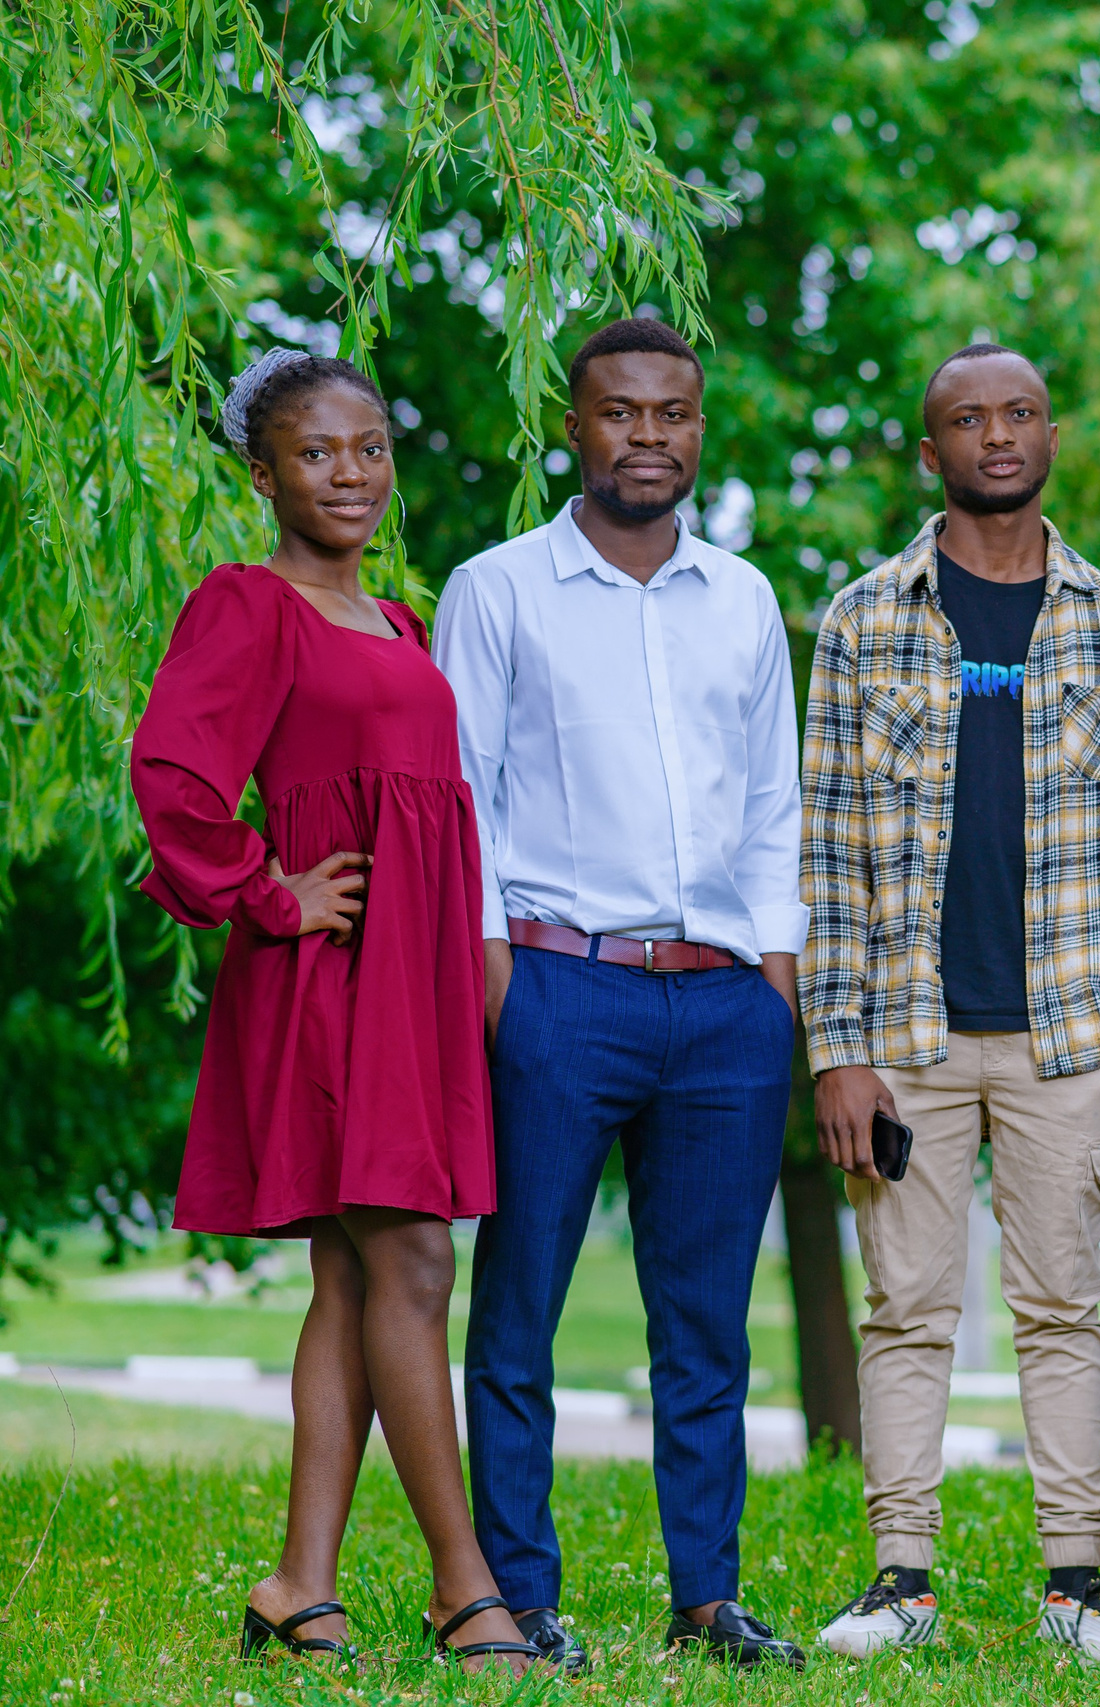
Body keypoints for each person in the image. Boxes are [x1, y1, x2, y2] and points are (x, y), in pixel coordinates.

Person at [132, 351, 534, 1674]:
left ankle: (299, 1582)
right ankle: (464, 1585)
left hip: (408, 979)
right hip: (327, 979)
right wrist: (273, 895)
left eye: (367, 447)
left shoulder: (403, 625)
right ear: (266, 473)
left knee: (359, 1271)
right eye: (316, 452)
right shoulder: (251, 605)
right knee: (414, 1264)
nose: (348, 472)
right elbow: (176, 774)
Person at [800, 344, 1100, 1667]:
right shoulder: (861, 620)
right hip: (903, 1040)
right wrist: (835, 1047)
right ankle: (898, 1580)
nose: (997, 435)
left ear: (1052, 433)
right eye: (967, 418)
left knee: (1064, 1303)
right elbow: (830, 847)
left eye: (1019, 411)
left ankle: (1079, 1586)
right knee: (905, 1305)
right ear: (931, 451)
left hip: (1071, 1036)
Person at [438, 318, 808, 1671]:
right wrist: (490, 977)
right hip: (555, 986)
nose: (648, 436)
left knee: (705, 1318)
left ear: (699, 429)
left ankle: (707, 1594)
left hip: (723, 1008)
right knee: (518, 1302)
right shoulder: (497, 588)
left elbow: (773, 797)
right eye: (620, 412)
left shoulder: (745, 596)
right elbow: (459, 801)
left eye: (673, 414)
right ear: (574, 423)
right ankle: (516, 1594)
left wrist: (773, 976)